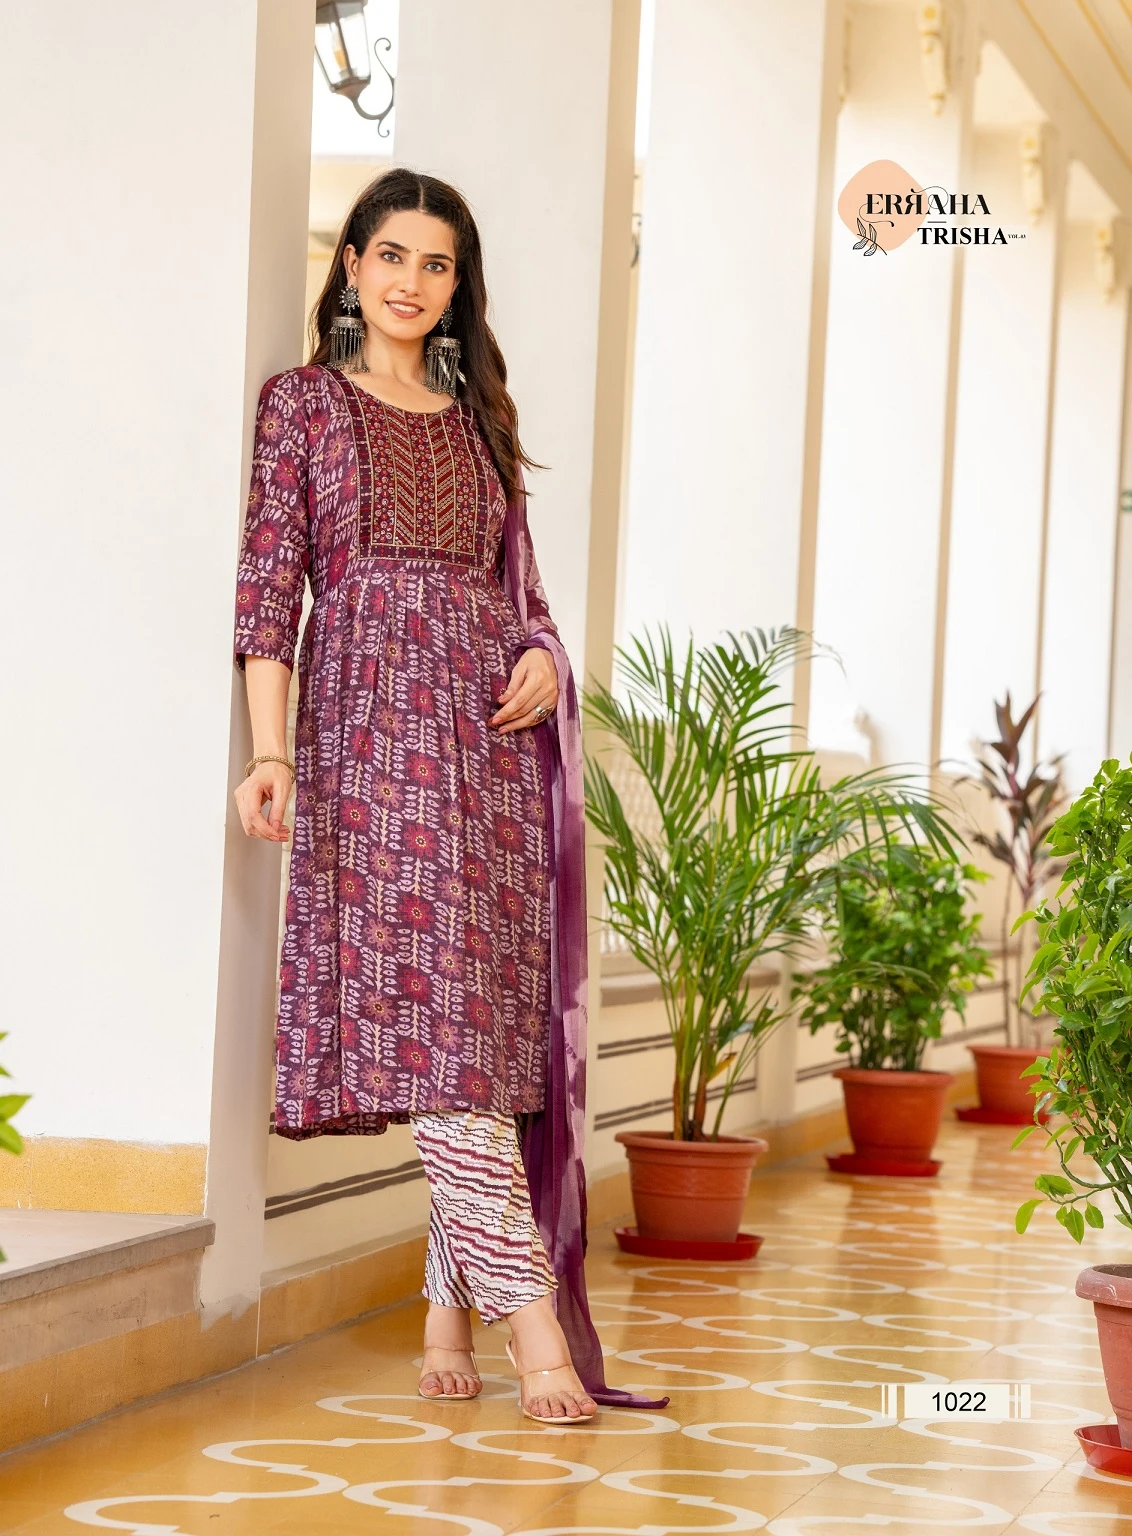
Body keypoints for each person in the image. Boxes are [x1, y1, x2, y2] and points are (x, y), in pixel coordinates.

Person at [231, 168, 665, 1423]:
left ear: (457, 285)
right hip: (370, 748)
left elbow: (522, 595)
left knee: (470, 1034)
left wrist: (544, 657)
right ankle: (534, 1329)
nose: (412, 283)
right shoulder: (304, 405)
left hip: (486, 753)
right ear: (351, 265)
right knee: (434, 1034)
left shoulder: (480, 421)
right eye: (392, 256)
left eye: (438, 265)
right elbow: (269, 586)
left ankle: (442, 1306)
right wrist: (270, 753)